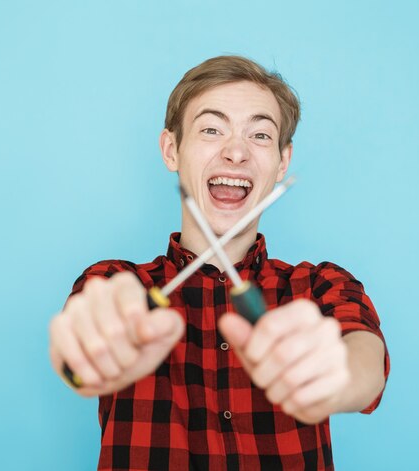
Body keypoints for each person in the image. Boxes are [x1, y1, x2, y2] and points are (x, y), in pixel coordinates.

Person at [49, 55, 390, 471]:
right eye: (212, 129)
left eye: (260, 135)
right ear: (171, 150)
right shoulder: (113, 281)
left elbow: (365, 365)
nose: (235, 152)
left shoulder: (320, 286)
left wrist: (339, 375)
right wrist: (91, 347)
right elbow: (78, 350)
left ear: (283, 163)